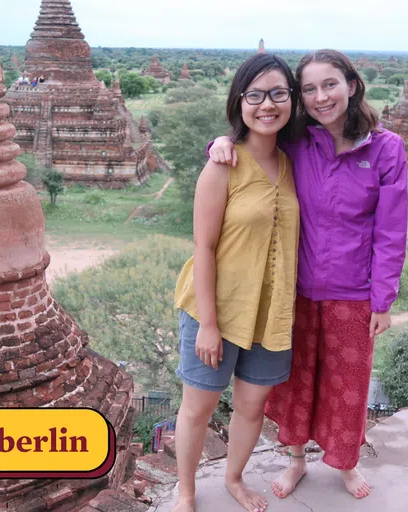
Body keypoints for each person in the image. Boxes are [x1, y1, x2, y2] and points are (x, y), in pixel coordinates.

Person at [208, 49, 408, 500]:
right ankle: (297, 460)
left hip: (353, 293)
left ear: (352, 85)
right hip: (295, 290)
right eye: (310, 88)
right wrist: (219, 143)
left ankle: (347, 463)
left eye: (330, 85)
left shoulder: (385, 149)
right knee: (295, 382)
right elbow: (250, 147)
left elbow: (391, 232)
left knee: (348, 386)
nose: (321, 97)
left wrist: (383, 301)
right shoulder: (298, 142)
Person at [172, 53, 301, 512]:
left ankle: (233, 478)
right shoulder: (223, 164)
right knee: (198, 408)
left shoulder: (295, 162)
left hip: (271, 313)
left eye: (279, 94)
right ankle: (186, 491)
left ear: (292, 100)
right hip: (218, 310)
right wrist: (208, 323)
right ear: (240, 102)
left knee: (251, 408)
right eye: (255, 95)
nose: (268, 105)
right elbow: (203, 248)